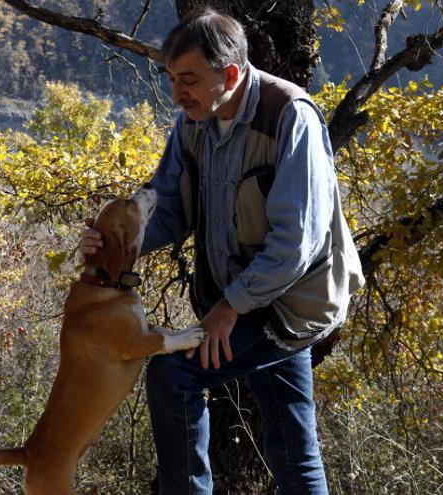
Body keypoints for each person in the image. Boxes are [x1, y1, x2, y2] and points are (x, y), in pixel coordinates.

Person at [80, 8, 363, 494]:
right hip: (245, 302)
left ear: (229, 74)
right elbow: (169, 208)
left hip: (291, 306)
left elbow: (297, 244)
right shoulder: (194, 122)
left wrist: (228, 308)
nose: (177, 93)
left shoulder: (290, 117)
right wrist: (116, 244)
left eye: (188, 79)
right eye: (171, 79)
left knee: (173, 375)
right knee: (294, 450)